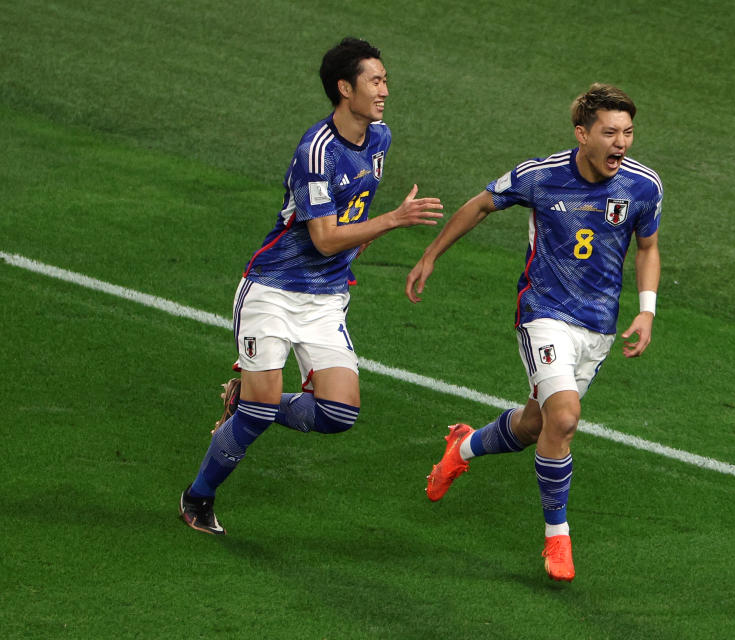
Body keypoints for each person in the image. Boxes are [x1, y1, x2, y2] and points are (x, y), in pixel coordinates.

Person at [179, 37, 443, 535]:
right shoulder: (316, 152)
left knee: (339, 413)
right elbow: (322, 238)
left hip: (326, 297)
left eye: (385, 79)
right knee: (257, 417)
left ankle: (250, 399)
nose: (385, 89)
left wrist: (354, 257)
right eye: (376, 80)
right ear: (345, 89)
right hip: (274, 289)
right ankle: (198, 497)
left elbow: (352, 215)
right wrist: (394, 220)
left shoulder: (379, 138)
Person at [405, 83, 662, 582]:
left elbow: (648, 247)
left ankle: (462, 446)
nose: (622, 143)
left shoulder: (643, 185)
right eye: (610, 132)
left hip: (598, 328)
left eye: (628, 132)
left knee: (535, 425)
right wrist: (430, 255)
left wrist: (647, 310)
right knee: (564, 419)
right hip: (543, 314)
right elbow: (481, 204)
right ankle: (557, 539)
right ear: (582, 134)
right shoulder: (540, 176)